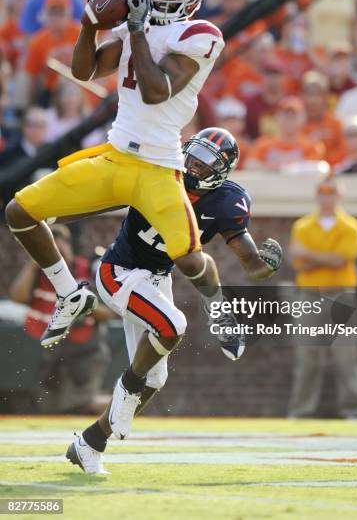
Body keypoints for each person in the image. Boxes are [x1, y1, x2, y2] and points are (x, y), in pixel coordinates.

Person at [5, 0, 233, 355]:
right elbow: (84, 71)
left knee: (190, 259)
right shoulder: (137, 25)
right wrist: (89, 26)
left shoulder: (200, 34)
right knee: (20, 212)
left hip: (159, 168)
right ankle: (69, 293)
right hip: (115, 157)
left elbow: (156, 90)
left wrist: (135, 31)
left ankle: (221, 309)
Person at [64, 128, 283, 474]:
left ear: (222, 173)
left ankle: (90, 442)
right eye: (192, 156)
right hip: (118, 271)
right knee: (174, 322)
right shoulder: (159, 172)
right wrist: (48, 211)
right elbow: (100, 197)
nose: (193, 166)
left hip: (156, 279)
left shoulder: (227, 202)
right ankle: (127, 385)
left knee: (155, 380)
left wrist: (265, 267)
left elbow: (250, 263)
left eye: (205, 163)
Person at [288, 176, 357, 419]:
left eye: (332, 192)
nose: (327, 197)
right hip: (309, 296)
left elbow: (341, 260)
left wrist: (310, 256)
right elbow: (298, 263)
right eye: (323, 192)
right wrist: (325, 259)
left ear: (339, 195)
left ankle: (355, 412)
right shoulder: (302, 226)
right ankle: (300, 413)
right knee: (307, 359)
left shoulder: (351, 226)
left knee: (346, 358)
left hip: (341, 295)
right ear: (317, 196)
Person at [10, 224, 113, 414]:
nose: (58, 254)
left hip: (85, 351)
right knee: (47, 407)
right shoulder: (38, 273)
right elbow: (17, 296)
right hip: (49, 353)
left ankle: (123, 404)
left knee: (81, 405)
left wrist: (81, 301)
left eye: (61, 248)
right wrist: (35, 262)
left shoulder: (87, 269)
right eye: (51, 251)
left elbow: (109, 314)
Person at [245, 96, 322, 171]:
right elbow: (249, 165)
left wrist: (291, 167)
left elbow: (316, 167)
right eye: (286, 115)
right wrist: (274, 168)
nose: (289, 120)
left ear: (302, 118)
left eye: (293, 116)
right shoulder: (263, 144)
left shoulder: (311, 146)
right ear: (278, 117)